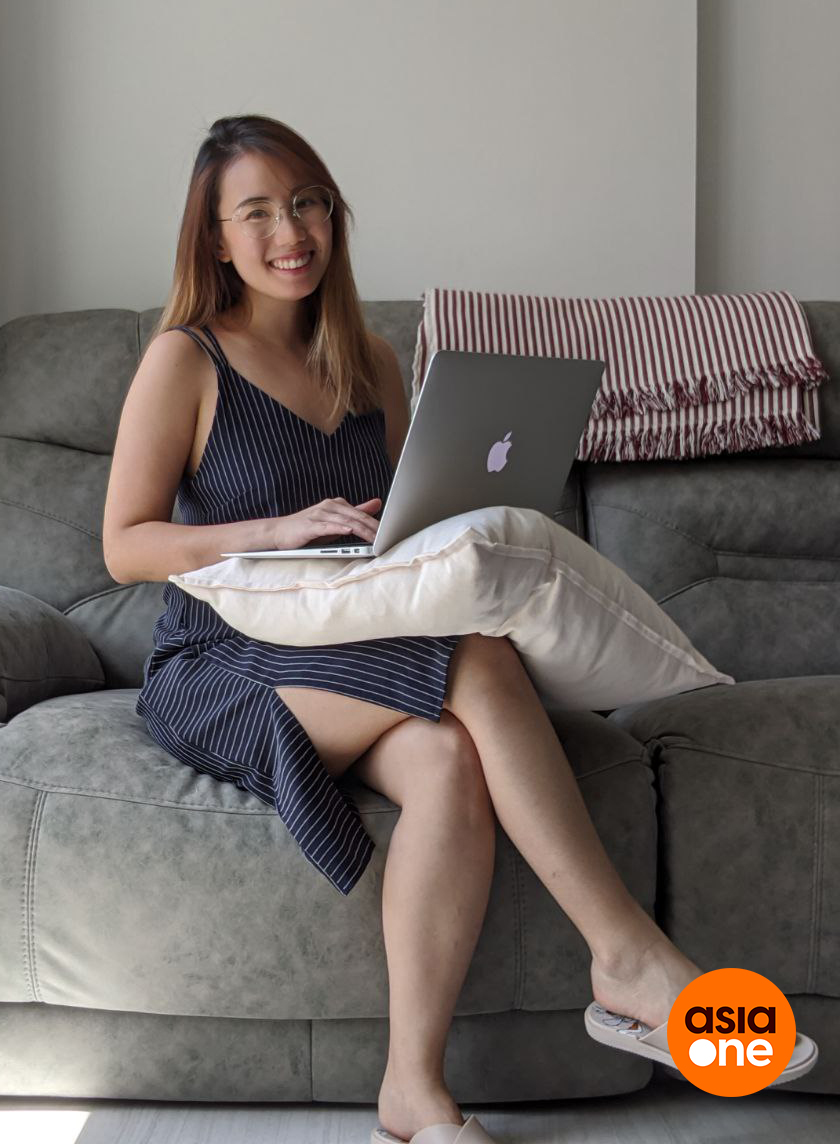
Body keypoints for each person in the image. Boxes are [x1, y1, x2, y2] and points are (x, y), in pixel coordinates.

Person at [102, 114, 705, 1144]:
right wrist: (274, 530)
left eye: (308, 203)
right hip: (220, 661)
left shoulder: (372, 363)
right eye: (259, 211)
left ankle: (412, 1093)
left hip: (344, 641)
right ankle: (625, 954)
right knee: (474, 653)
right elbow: (124, 545)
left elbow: (401, 531)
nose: (291, 231)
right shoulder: (185, 359)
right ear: (216, 239)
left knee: (446, 757)